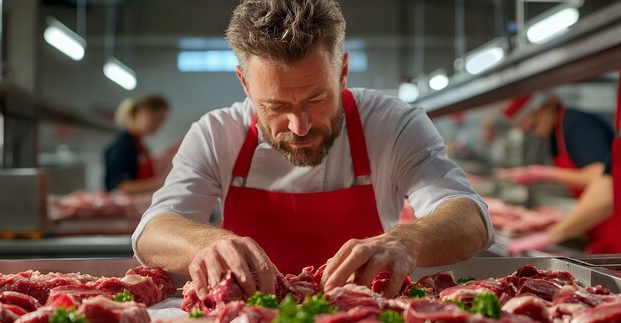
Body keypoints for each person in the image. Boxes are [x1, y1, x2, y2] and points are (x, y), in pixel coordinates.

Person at [133, 0, 493, 299]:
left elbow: (469, 216)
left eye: (317, 99)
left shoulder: (393, 125)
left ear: (343, 72)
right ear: (244, 83)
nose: (299, 126)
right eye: (275, 106)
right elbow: (153, 229)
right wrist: (203, 241)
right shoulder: (216, 133)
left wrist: (406, 241)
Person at [498, 94, 618, 254]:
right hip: (596, 224)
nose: (533, 132)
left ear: (542, 108)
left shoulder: (577, 125)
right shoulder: (556, 134)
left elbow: (599, 178)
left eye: (533, 125)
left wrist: (544, 173)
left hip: (614, 226)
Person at [104, 94, 170, 194]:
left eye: (161, 123)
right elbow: (120, 187)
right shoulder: (123, 146)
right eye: (156, 120)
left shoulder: (140, 145)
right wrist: (160, 182)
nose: (158, 127)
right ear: (143, 113)